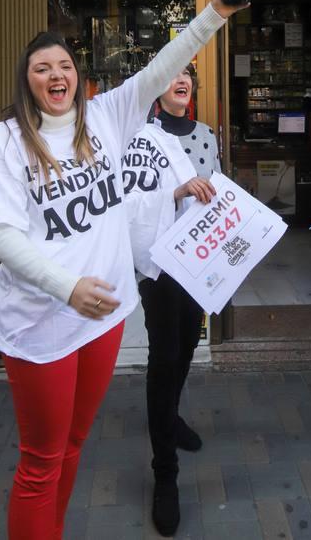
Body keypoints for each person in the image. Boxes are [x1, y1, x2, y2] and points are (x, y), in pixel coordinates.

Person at [0, 0, 244, 540]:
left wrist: (215, 12)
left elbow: (161, 64)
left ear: (78, 76)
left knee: (73, 445)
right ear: (28, 82)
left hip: (103, 320)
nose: (56, 75)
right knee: (40, 460)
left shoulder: (104, 118)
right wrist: (65, 285)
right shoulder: (7, 141)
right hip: (42, 324)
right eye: (42, 68)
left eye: (65, 66)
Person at [122, 64, 219, 536]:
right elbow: (128, 197)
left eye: (188, 76)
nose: (181, 81)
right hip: (159, 267)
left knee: (184, 351)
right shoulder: (139, 137)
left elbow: (220, 196)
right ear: (158, 89)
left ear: (193, 88)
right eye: (172, 75)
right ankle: (165, 474)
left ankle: (171, 415)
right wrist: (175, 190)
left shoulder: (207, 135)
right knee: (163, 358)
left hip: (198, 264)